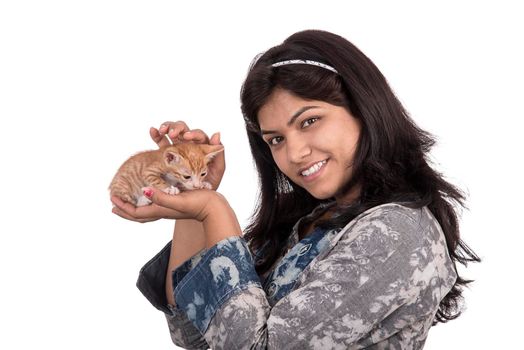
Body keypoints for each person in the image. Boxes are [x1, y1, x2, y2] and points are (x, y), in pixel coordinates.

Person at [111, 29, 480, 349]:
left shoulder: (397, 233)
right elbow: (193, 333)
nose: (295, 153)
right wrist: (195, 196)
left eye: (310, 121)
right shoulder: (306, 220)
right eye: (275, 139)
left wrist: (214, 209)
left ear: (363, 108)